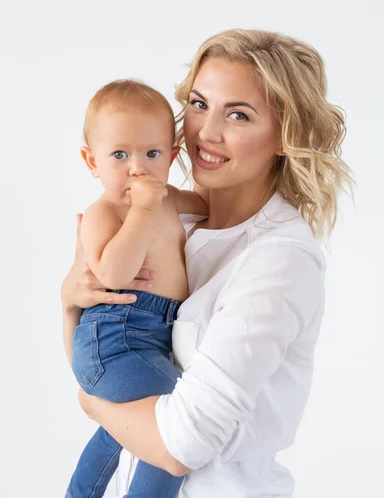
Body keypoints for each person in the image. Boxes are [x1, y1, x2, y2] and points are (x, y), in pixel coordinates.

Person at [62, 29, 353, 498]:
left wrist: (91, 403)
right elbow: (104, 364)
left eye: (238, 114)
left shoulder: (281, 258)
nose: (205, 132)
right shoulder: (175, 222)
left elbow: (180, 445)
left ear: (284, 136)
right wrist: (69, 304)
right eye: (199, 104)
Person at [65, 80, 208, 498]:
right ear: (92, 162)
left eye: (152, 153)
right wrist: (142, 209)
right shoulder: (103, 212)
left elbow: (210, 206)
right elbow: (112, 273)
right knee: (174, 427)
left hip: (147, 340)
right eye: (120, 155)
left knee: (118, 433)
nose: (138, 167)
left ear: (172, 156)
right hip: (114, 339)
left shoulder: (171, 199)